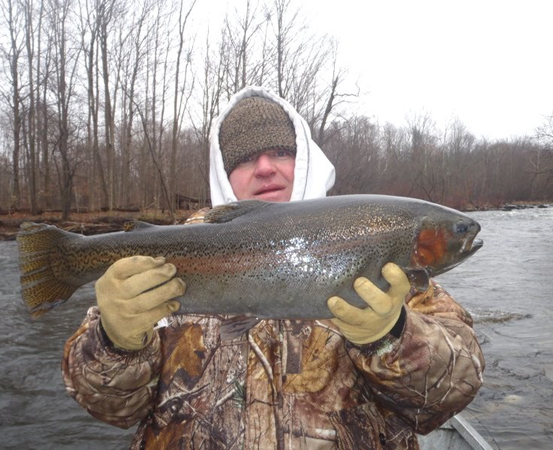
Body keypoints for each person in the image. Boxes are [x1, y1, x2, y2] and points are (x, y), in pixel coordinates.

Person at [62, 86, 484, 449]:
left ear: (304, 160)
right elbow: (111, 409)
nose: (265, 168)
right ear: (224, 173)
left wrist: (391, 336)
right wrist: (114, 340)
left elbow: (450, 394)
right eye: (246, 159)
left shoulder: (389, 261)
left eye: (280, 152)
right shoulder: (159, 261)